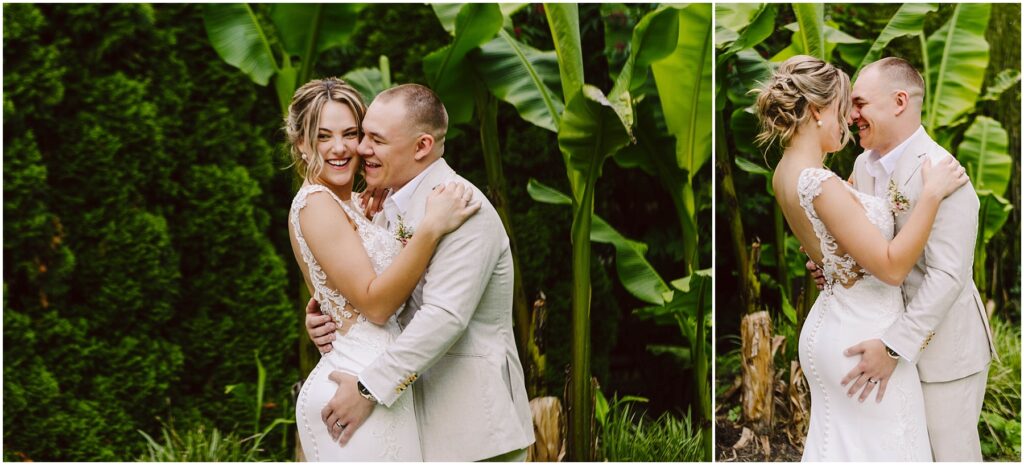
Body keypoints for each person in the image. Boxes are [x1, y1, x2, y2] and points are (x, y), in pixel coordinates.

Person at [754, 55, 969, 461]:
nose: (848, 121)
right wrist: (930, 195)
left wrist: (832, 263)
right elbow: (889, 267)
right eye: (841, 110)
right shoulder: (820, 180)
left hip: (834, 325)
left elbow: (833, 246)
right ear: (816, 112)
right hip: (862, 336)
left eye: (856, 106)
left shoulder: (785, 172)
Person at [304, 83, 535, 461]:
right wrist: (330, 314)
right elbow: (380, 293)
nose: (361, 149)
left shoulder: (461, 207)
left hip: (472, 428)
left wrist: (368, 389)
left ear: (422, 146)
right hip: (417, 423)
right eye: (363, 136)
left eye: (375, 140)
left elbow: (445, 317)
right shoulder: (386, 204)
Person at [808, 57, 996, 461]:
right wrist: (838, 267)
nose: (851, 115)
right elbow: (872, 246)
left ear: (898, 101)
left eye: (859, 104)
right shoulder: (862, 164)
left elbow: (948, 276)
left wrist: (893, 348)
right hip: (882, 337)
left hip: (944, 355)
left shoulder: (946, 176)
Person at [284, 78, 482, 460]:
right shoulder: (315, 204)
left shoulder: (360, 204)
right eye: (323, 136)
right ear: (302, 145)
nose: (340, 148)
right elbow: (375, 306)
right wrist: (431, 228)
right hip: (356, 378)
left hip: (376, 376)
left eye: (350, 134)